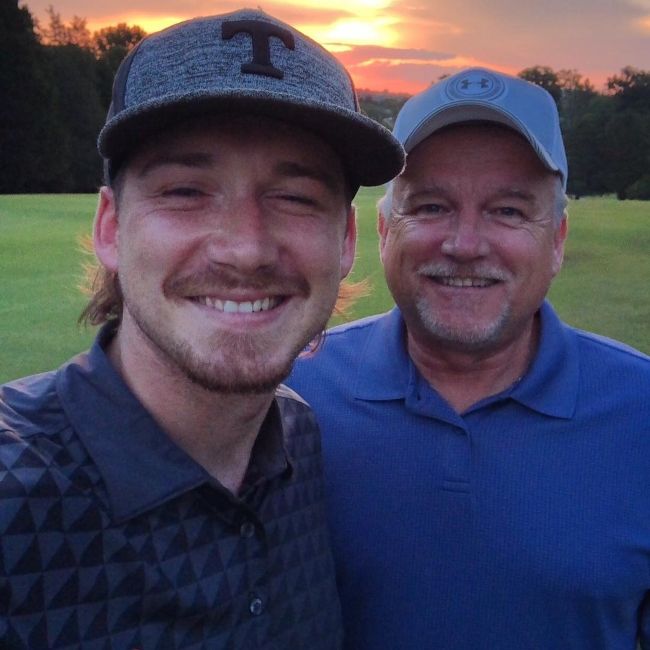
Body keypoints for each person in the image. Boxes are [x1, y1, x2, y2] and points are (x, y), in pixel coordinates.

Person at [0, 9, 404, 648]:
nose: (245, 249)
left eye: (296, 197)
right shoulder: (14, 498)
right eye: (186, 190)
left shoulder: (297, 443)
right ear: (110, 228)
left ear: (347, 239)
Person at [288, 67, 650, 649]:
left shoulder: (641, 414)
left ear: (556, 239)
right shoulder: (289, 398)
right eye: (430, 206)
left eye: (508, 211)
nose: (464, 244)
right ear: (384, 231)